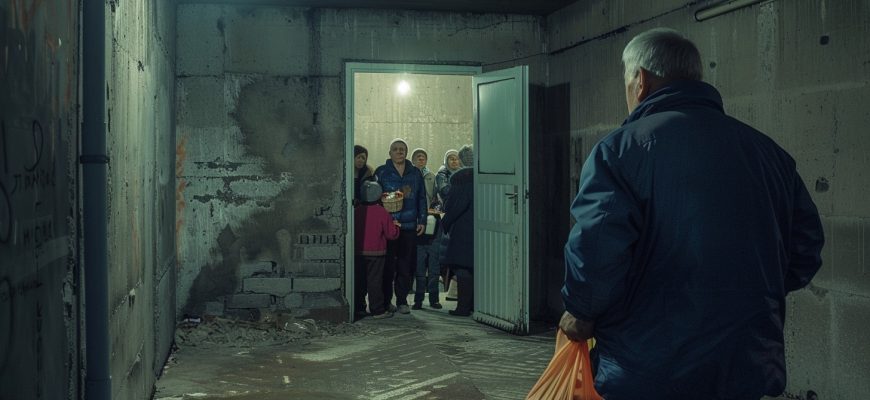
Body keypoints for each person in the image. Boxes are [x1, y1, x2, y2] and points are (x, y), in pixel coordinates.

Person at [559, 28, 824, 400]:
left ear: (641, 80)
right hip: (745, 361)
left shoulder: (620, 152)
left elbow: (597, 248)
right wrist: (751, 293)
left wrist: (581, 311)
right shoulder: (770, 155)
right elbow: (806, 249)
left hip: (649, 367)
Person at [373, 139, 427, 315]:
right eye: (395, 149)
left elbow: (421, 198)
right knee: (387, 266)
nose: (399, 152)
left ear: (406, 152)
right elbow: (375, 198)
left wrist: (422, 220)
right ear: (390, 153)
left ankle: (402, 301)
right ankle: (386, 301)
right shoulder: (382, 172)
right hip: (388, 226)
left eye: (402, 149)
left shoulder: (415, 173)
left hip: (409, 225)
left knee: (406, 265)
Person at [354, 180, 400, 319]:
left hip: (358, 252)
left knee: (360, 281)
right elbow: (391, 235)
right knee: (375, 281)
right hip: (377, 253)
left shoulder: (356, 211)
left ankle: (359, 308)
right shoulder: (382, 212)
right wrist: (396, 226)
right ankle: (377, 310)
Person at [441, 144, 475, 317]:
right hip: (478, 228)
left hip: (463, 229)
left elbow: (453, 206)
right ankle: (474, 305)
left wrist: (445, 222)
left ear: (461, 161)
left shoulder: (461, 179)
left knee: (462, 268)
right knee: (474, 267)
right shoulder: (484, 177)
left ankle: (463, 307)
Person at [410, 148, 442, 310]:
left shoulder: (431, 176)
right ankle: (418, 299)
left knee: (434, 263)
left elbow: (437, 198)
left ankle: (434, 298)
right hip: (416, 221)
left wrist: (435, 211)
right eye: (418, 157)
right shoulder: (409, 176)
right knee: (419, 264)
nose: (421, 159)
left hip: (432, 220)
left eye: (423, 157)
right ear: (412, 160)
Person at [434, 149, 462, 299]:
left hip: (458, 213)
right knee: (445, 247)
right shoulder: (442, 174)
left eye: (456, 158)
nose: (454, 161)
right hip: (446, 213)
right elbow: (445, 191)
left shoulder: (462, 173)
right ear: (446, 161)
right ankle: (443, 277)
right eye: (451, 159)